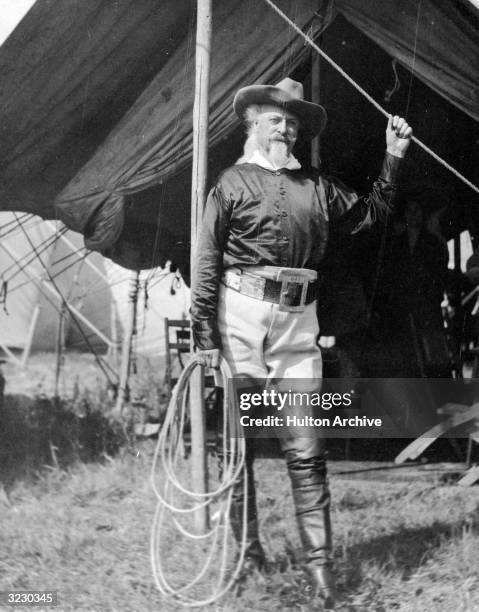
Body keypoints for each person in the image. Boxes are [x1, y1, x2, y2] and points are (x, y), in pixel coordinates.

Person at [190, 77, 412, 609]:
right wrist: (204, 337)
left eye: (292, 122)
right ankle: (246, 556)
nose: (284, 128)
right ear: (252, 123)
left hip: (298, 323)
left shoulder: (318, 186)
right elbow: (205, 261)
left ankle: (320, 574)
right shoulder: (231, 182)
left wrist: (393, 156)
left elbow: (370, 215)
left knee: (307, 448)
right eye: (274, 118)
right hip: (239, 318)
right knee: (240, 442)